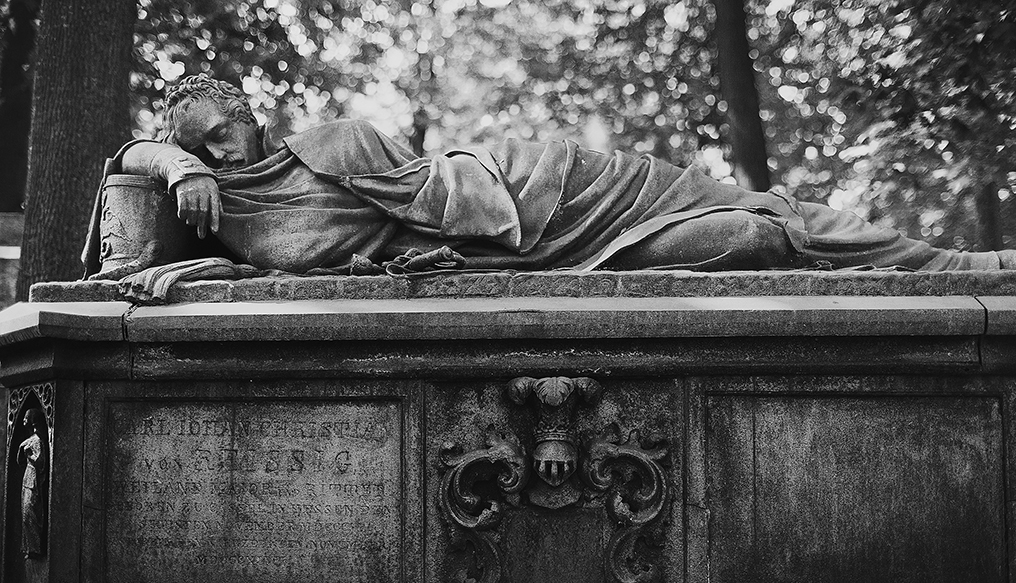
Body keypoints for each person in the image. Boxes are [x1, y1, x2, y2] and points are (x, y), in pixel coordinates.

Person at [81, 74, 1016, 278]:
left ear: (251, 119)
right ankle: (936, 265)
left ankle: (956, 266)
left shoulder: (331, 140)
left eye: (220, 136)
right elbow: (115, 179)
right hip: (539, 254)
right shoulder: (226, 221)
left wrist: (171, 162)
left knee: (757, 210)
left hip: (550, 193)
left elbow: (450, 207)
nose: (217, 157)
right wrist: (158, 159)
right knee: (760, 235)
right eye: (198, 147)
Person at [18, 408, 48, 559]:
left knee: (30, 513)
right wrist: (22, 451)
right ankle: (28, 547)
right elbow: (19, 461)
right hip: (27, 477)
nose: (23, 420)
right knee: (25, 514)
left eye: (26, 418)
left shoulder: (37, 441)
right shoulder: (30, 440)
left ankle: (35, 548)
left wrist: (29, 454)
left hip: (34, 479)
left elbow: (40, 462)